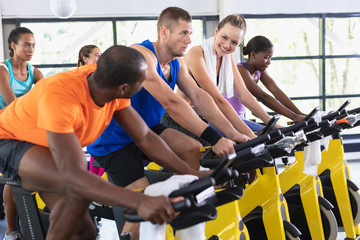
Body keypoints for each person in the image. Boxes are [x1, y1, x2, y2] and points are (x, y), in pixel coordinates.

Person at [0, 45, 200, 240]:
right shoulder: (62, 97)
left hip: (44, 141)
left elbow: (145, 137)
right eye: (143, 82)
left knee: (83, 232)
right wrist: (142, 201)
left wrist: (193, 174)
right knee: (77, 190)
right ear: (125, 88)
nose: (144, 86)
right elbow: (75, 176)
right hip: (10, 138)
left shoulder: (109, 83)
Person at [87, 7, 252, 239]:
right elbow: (172, 103)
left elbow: (198, 96)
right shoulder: (143, 56)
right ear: (164, 32)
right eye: (183, 33)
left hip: (148, 128)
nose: (189, 40)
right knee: (142, 199)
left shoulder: (177, 63)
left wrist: (233, 134)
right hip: (115, 139)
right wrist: (215, 139)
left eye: (191, 33)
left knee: (192, 148)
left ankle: (183, 221)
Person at [184, 14, 276, 133]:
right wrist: (251, 136)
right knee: (255, 139)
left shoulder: (227, 58)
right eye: (224, 37)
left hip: (212, 117)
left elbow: (244, 94)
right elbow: (217, 99)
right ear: (216, 32)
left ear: (239, 44)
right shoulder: (196, 54)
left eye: (234, 42)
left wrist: (270, 123)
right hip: (190, 118)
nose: (227, 45)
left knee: (270, 134)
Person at [0, 27, 44, 240]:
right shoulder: (3, 71)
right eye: (26, 44)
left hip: (23, 128)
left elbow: (48, 99)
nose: (31, 49)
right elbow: (13, 106)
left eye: (33, 45)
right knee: (13, 177)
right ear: (13, 45)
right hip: (4, 130)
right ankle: (11, 231)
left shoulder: (34, 72)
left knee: (22, 175)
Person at [237, 35, 306, 122]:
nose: (269, 62)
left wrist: (299, 114)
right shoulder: (240, 70)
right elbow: (263, 97)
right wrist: (294, 117)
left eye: (270, 58)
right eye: (266, 58)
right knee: (278, 133)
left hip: (240, 119)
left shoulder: (259, 71)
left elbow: (276, 91)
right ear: (253, 54)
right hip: (231, 119)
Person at [77, 44, 105, 177]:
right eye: (97, 55)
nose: (100, 57)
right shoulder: (79, 76)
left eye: (101, 54)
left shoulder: (99, 76)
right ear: (85, 58)